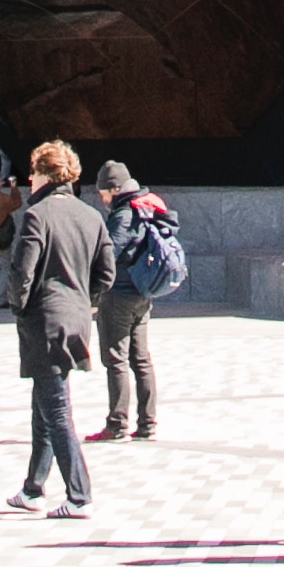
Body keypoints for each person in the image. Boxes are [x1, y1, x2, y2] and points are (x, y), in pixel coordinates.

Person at [2, 138, 111, 517]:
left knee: (57, 409)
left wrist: (18, 303)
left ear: (45, 174)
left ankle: (79, 494)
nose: (29, 179)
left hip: (44, 321)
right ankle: (33, 488)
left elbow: (22, 272)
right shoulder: (91, 216)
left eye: (32, 172)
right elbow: (106, 273)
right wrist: (85, 300)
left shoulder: (38, 215)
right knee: (45, 404)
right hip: (76, 320)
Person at [93, 161, 178, 442]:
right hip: (144, 292)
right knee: (141, 359)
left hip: (119, 294)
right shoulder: (147, 205)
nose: (102, 199)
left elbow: (109, 255)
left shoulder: (124, 214)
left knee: (116, 359)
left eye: (103, 193)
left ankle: (117, 425)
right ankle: (147, 424)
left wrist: (94, 291)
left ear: (115, 189)